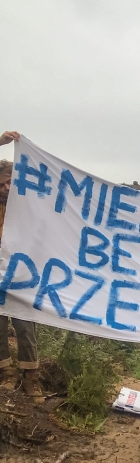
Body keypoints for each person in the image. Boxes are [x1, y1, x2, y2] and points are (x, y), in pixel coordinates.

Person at [0, 131, 43, 405]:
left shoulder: (26, 206)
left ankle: (31, 378)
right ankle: (5, 373)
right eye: (2, 183)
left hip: (23, 277)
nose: (6, 188)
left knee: (26, 328)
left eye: (9, 183)